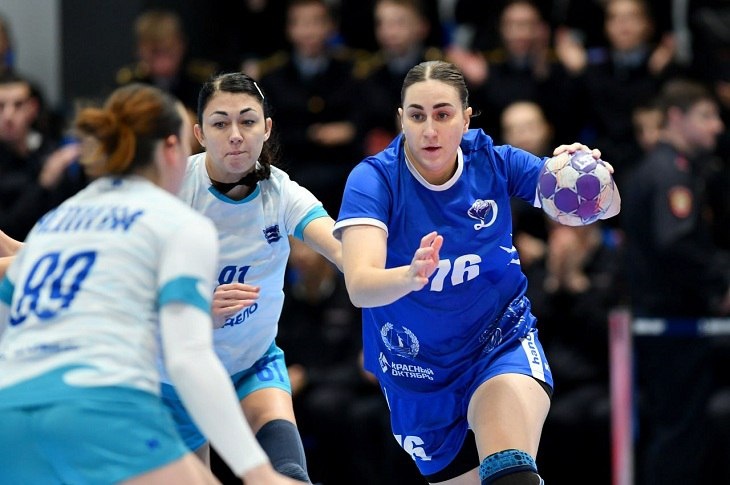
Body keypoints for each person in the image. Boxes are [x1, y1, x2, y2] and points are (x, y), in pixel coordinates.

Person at [334, 59, 621, 484]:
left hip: (498, 343)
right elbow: (360, 285)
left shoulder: (493, 162)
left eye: (443, 114)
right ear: (401, 119)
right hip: (417, 375)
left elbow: (605, 208)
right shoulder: (374, 179)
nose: (429, 130)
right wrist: (410, 276)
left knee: (508, 468)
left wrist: (593, 179)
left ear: (466, 119)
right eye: (417, 116)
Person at [0, 83, 298, 484]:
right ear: (173, 148)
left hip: (12, 414)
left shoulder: (59, 219)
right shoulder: (176, 222)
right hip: (94, 403)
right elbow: (188, 359)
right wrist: (258, 471)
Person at [159, 71, 342, 483]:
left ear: (267, 128)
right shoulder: (171, 190)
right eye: (220, 123)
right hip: (174, 373)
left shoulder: (282, 193)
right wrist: (195, 313)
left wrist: (400, 271)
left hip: (251, 363)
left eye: (247, 121)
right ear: (199, 133)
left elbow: (341, 248)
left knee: (289, 474)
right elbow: (121, 278)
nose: (236, 135)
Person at [622, 78, 730, 485]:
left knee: (678, 428)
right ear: (676, 117)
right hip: (672, 324)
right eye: (706, 116)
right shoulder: (670, 173)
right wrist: (721, 283)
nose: (717, 126)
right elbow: (677, 243)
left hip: (666, 320)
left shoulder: (662, 167)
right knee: (679, 431)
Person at [0, 71, 86, 240]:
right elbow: (7, 229)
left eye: (18, 105)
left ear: (33, 108)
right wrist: (43, 184)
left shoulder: (52, 150)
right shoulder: (51, 165)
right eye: (1, 106)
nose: (8, 116)